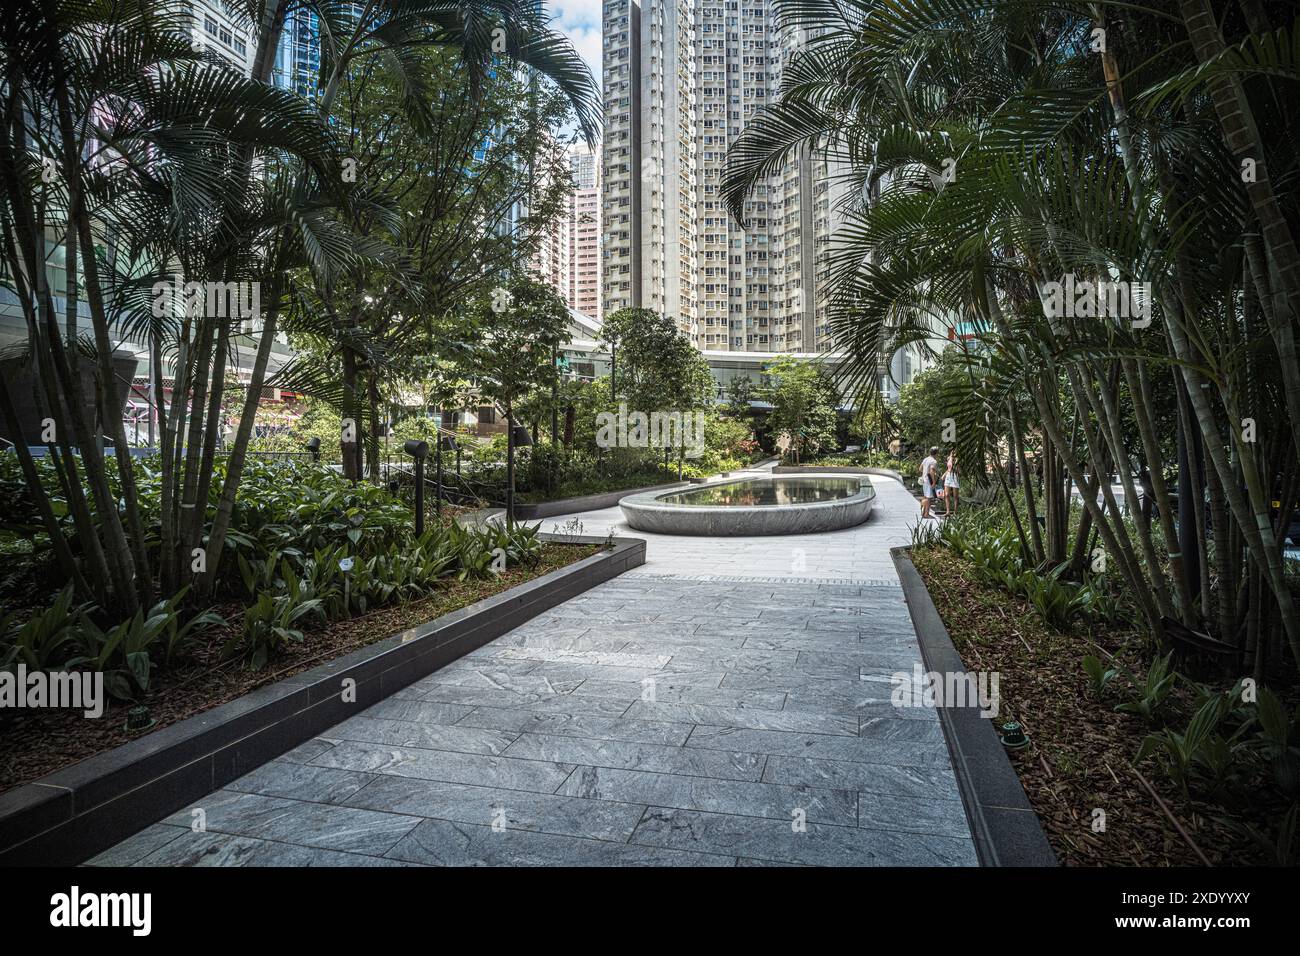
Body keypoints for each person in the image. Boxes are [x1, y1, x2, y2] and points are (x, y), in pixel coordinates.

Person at [919, 446, 939, 519]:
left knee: (926, 496)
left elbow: (920, 469)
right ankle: (926, 514)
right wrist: (933, 482)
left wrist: (925, 472)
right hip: (929, 481)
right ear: (936, 453)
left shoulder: (926, 459)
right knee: (929, 498)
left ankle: (924, 512)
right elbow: (931, 471)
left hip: (924, 480)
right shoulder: (933, 461)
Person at [943, 450, 960, 516]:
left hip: (955, 476)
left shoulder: (958, 460)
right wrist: (944, 474)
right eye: (952, 452)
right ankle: (948, 512)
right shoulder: (948, 458)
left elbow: (959, 470)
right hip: (948, 476)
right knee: (946, 495)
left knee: (955, 496)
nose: (953, 453)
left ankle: (955, 511)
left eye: (954, 452)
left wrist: (956, 463)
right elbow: (948, 468)